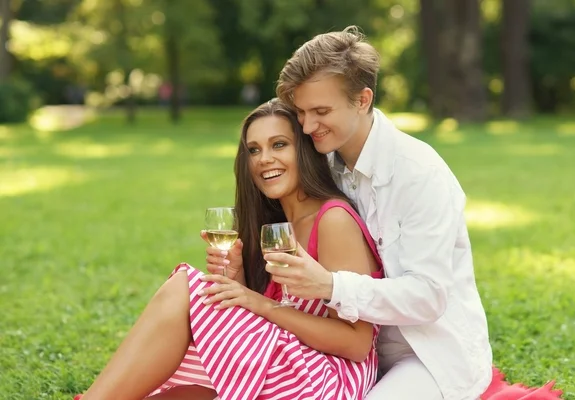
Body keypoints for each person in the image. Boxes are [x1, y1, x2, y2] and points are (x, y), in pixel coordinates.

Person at [266, 26, 562, 400]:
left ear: (362, 99)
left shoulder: (419, 172)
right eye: (302, 112)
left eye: (321, 111)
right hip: (346, 348)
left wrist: (330, 285)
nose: (307, 126)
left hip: (425, 353)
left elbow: (428, 296)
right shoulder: (320, 161)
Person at [75, 99, 384, 400]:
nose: (263, 158)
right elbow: (282, 318)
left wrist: (256, 303)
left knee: (186, 285)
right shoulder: (276, 225)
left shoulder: (333, 220)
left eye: (279, 144)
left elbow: (356, 343)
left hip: (325, 379)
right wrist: (238, 281)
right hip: (290, 363)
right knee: (174, 394)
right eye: (253, 149)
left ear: (303, 150)